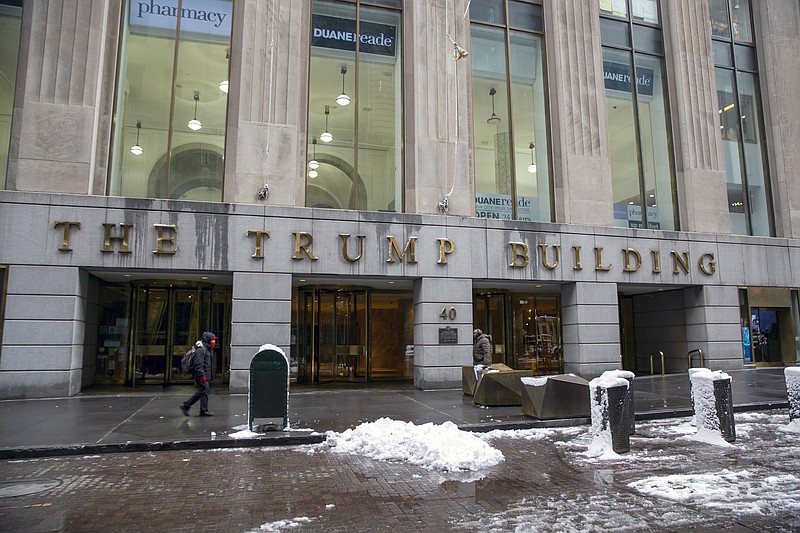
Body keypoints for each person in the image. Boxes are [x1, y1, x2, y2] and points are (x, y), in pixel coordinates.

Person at [180, 331, 216, 417]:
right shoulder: (201, 350)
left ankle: (203, 410)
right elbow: (198, 364)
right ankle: (187, 405)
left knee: (204, 392)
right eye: (213, 340)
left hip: (206, 375)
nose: (214, 342)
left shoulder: (208, 349)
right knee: (203, 391)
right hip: (202, 376)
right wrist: (202, 376)